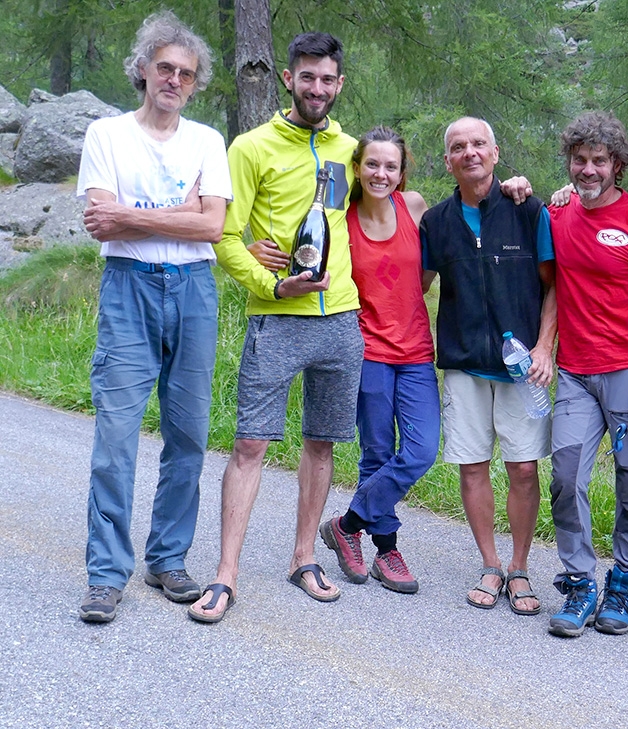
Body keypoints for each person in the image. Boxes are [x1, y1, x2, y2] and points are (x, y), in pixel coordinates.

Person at [188, 32, 362, 623]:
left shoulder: (350, 149)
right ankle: (226, 574)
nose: (317, 88)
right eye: (307, 77)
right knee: (250, 443)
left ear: (340, 84)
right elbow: (224, 238)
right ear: (289, 80)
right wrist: (272, 285)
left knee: (322, 442)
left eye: (328, 79)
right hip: (277, 317)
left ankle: (304, 558)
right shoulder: (252, 146)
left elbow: (391, 199)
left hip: (340, 318)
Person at [76, 11, 231, 623]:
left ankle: (168, 558)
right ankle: (105, 574)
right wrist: (181, 211)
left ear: (194, 85)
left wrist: (136, 216)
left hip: (193, 290)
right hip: (128, 290)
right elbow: (99, 223)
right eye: (163, 68)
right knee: (115, 438)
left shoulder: (206, 141)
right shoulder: (106, 135)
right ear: (142, 70)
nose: (173, 80)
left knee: (189, 434)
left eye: (185, 74)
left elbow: (213, 227)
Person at [249, 126, 438, 594]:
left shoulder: (414, 207)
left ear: (402, 171)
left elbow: (431, 272)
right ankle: (387, 550)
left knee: (421, 450)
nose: (381, 173)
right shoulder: (341, 212)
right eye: (371, 164)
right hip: (367, 347)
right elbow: (299, 222)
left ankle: (348, 523)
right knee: (376, 451)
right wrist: (255, 247)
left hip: (415, 350)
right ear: (356, 168)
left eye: (391, 165)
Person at [420, 116, 556, 615]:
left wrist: (544, 348)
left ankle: (520, 567)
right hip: (462, 363)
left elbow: (553, 286)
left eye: (479, 144)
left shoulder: (528, 209)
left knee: (522, 467)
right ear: (448, 161)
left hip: (522, 367)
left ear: (496, 153)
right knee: (473, 466)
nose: (470, 152)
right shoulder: (436, 222)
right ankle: (491, 564)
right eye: (459, 147)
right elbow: (418, 286)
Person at [547, 111, 628, 637]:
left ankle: (624, 582)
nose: (589, 169)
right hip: (574, 373)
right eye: (580, 160)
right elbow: (549, 283)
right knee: (566, 477)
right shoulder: (558, 216)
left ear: (618, 165)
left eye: (600, 161)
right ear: (570, 163)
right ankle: (580, 582)